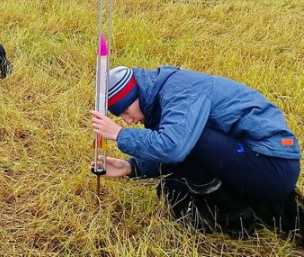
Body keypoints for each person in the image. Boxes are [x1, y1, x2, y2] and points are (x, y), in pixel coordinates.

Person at [91, 65, 302, 238]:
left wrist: (120, 134)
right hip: (254, 159)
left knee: (189, 139)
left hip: (272, 162)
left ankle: (235, 218)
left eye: (124, 111)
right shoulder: (166, 91)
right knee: (174, 186)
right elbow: (182, 150)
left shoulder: (179, 90)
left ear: (134, 95)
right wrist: (131, 167)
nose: (127, 120)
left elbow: (174, 148)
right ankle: (254, 206)